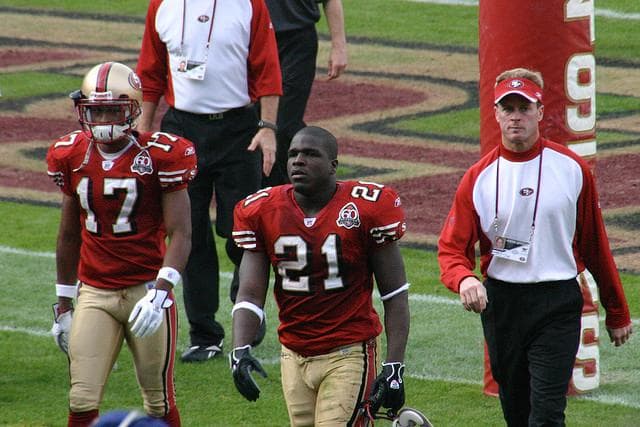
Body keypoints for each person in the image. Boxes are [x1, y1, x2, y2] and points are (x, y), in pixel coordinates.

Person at [438, 68, 633, 426]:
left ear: (540, 112)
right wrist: (464, 279)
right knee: (517, 413)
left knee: (545, 414)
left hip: (556, 302)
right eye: (508, 108)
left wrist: (617, 310)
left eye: (524, 108)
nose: (516, 117)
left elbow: (595, 245)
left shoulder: (572, 169)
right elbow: (451, 249)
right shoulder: (478, 177)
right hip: (502, 305)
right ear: (496, 114)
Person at [229, 126, 410, 426]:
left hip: (348, 352)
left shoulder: (366, 208)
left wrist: (394, 366)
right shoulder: (263, 210)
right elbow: (249, 294)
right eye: (293, 154)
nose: (298, 161)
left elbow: (395, 294)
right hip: (293, 353)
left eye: (310, 154)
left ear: (332, 166)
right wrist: (240, 349)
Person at [47, 62, 195, 427]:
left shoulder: (161, 155)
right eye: (95, 111)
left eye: (112, 109)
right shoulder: (71, 154)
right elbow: (68, 234)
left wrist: (161, 292)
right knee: (81, 398)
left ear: (133, 108)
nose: (102, 119)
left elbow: (181, 233)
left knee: (158, 400)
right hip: (95, 292)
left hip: (146, 290)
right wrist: (63, 303)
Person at [136, 0, 282, 362]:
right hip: (182, 128)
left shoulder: (249, 5)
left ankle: (247, 304)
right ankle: (203, 333)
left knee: (242, 230)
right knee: (189, 232)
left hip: (238, 127)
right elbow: (151, 72)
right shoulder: (162, 5)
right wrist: (143, 131)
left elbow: (267, 67)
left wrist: (267, 127)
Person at [262, 0, 347, 188]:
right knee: (252, 122)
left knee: (284, 123)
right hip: (252, 39)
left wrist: (339, 45)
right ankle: (271, 190)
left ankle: (288, 189)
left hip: (297, 40)